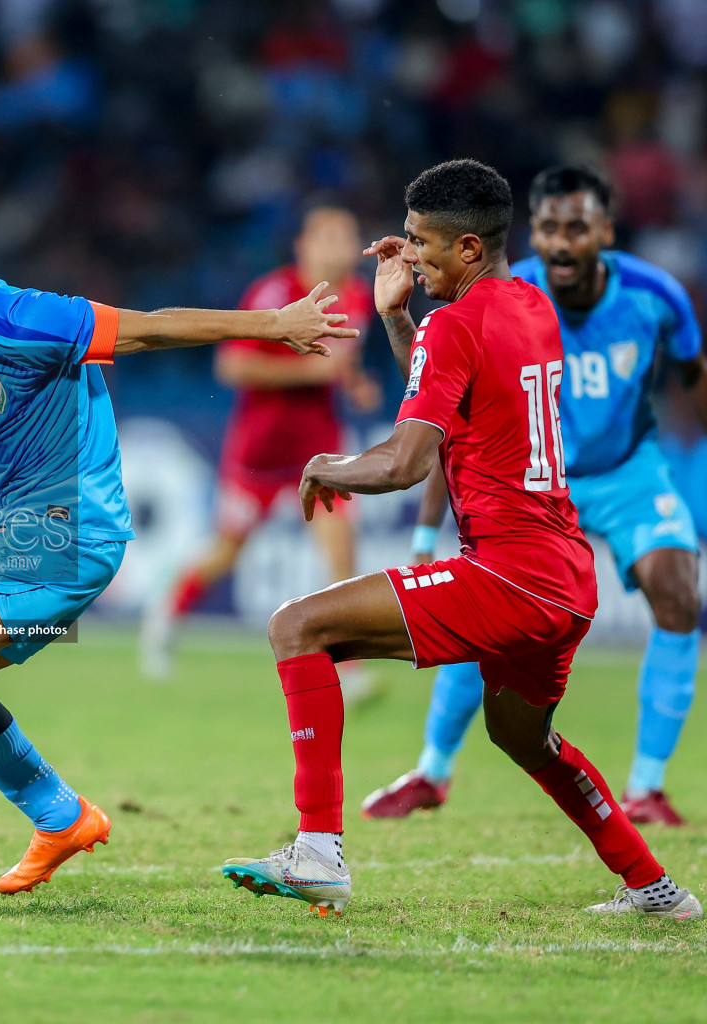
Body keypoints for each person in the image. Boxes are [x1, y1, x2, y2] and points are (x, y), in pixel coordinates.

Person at [0, 191, 357, 899]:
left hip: (70, 525)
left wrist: (273, 324)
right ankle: (60, 816)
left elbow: (149, 329)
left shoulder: (22, 318)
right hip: (30, 524)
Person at [218, 159, 699, 920]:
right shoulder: (531, 305)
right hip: (566, 581)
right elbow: (447, 378)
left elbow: (407, 460)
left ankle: (317, 850)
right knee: (523, 735)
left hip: (510, 574)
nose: (408, 256)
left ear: (468, 248)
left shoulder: (458, 321)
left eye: (420, 243)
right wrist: (395, 318)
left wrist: (330, 466)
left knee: (297, 626)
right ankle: (655, 887)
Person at [362, 165, 706, 826]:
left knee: (679, 590)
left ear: (605, 230)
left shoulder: (655, 296)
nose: (561, 244)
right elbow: (443, 413)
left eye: (577, 228)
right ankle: (431, 772)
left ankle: (647, 788)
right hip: (533, 481)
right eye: (547, 228)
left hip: (628, 469)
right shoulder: (508, 296)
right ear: (532, 234)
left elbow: (694, 374)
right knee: (487, 610)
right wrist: (425, 536)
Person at [140, 203, 380, 691]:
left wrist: (352, 381)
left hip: (319, 446)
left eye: (346, 237)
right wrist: (307, 374)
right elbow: (231, 367)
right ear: (303, 246)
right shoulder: (275, 294)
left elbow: (335, 361)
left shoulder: (357, 294)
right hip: (261, 451)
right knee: (228, 552)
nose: (340, 248)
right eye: (328, 236)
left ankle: (349, 671)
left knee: (340, 547)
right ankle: (166, 610)